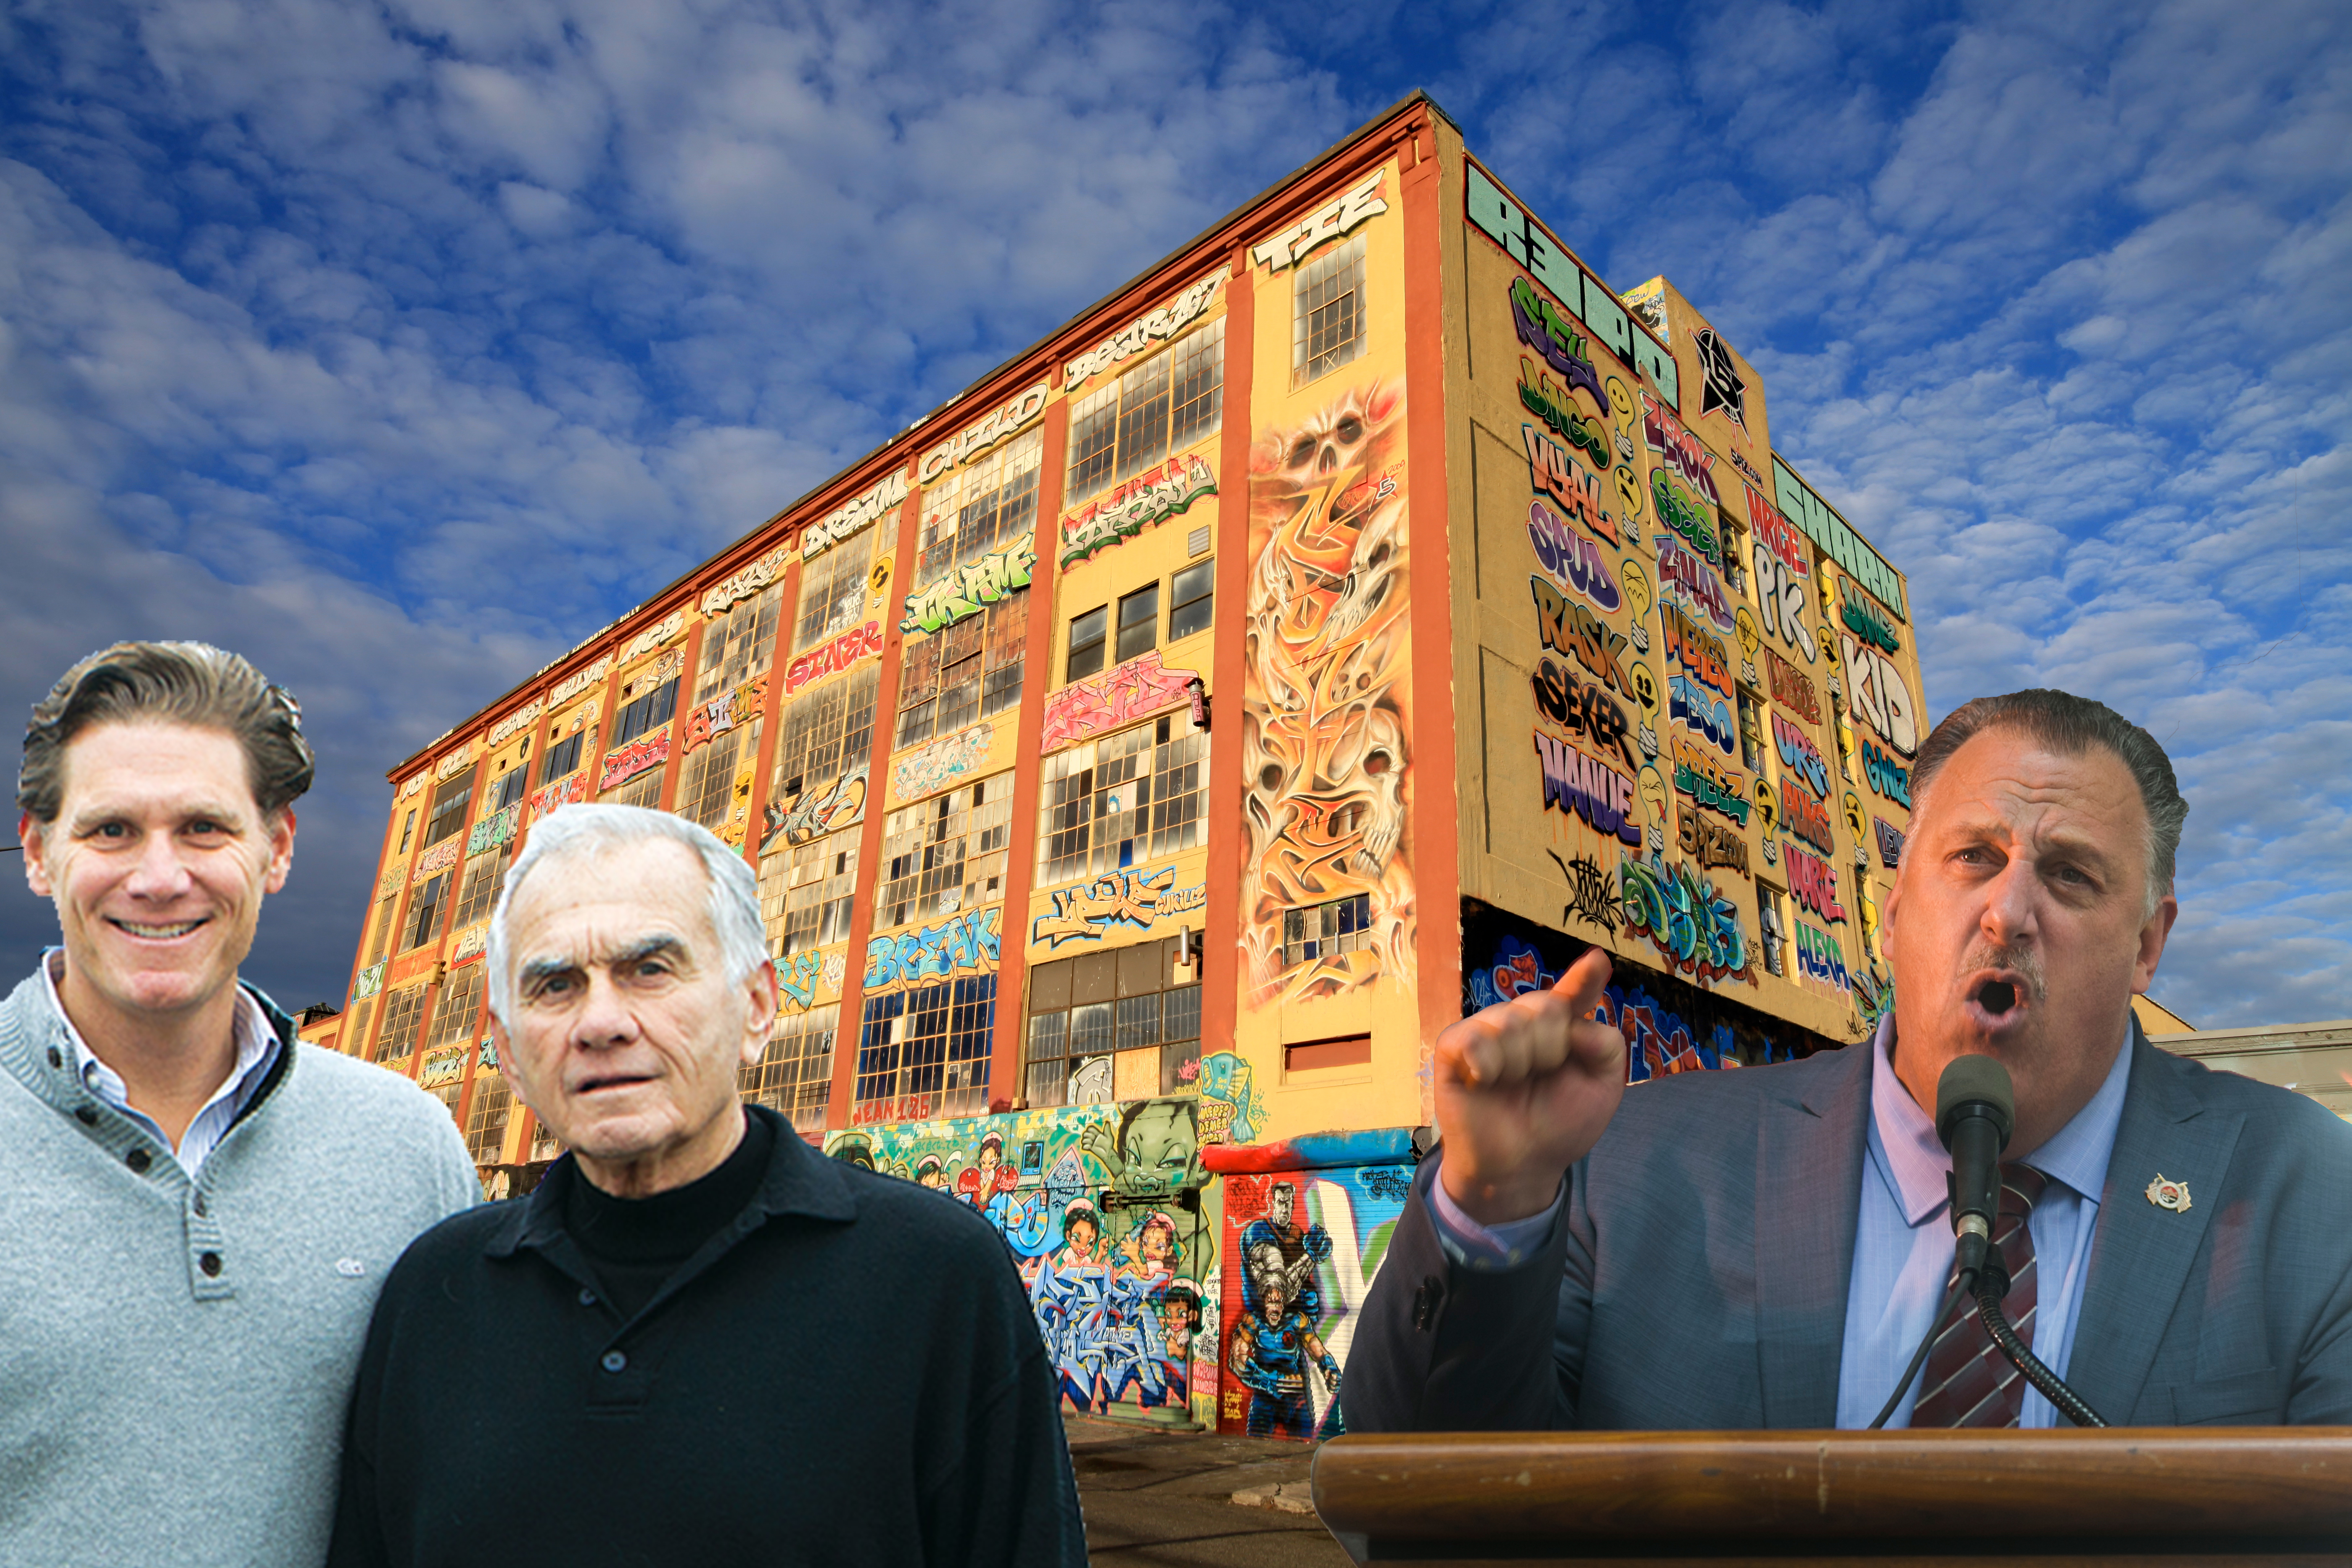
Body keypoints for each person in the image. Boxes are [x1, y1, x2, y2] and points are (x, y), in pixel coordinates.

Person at [1346, 689, 2352, 1431]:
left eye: (2072, 874)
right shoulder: (1630, 1164)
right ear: (1893, 910)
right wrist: (1491, 1208)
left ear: (2147, 945)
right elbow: (1405, 1523)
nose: (2008, 911)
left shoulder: (2303, 1192)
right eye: (1974, 858)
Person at [328, 804, 1085, 1567]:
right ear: (508, 1051)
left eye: (649, 970)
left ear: (756, 1007)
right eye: (555, 986)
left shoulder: (937, 1277)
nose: (601, 1022)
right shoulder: (433, 1294)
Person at [0, 642, 480, 1568]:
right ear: (37, 852)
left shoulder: (408, 1142)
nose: (159, 877)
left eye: (205, 829)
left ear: (278, 850)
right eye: (110, 832)